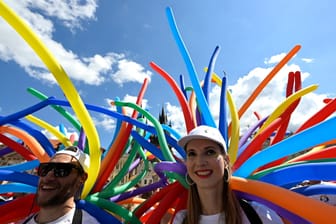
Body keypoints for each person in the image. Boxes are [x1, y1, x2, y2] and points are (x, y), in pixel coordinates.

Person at [172, 125, 284, 224]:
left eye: (210, 152)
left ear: (226, 160)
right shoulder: (181, 220)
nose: (200, 162)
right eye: (192, 154)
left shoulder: (259, 215)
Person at [20, 146, 100, 224]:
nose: (48, 177)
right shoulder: (22, 221)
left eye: (62, 170)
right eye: (46, 169)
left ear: (82, 178)